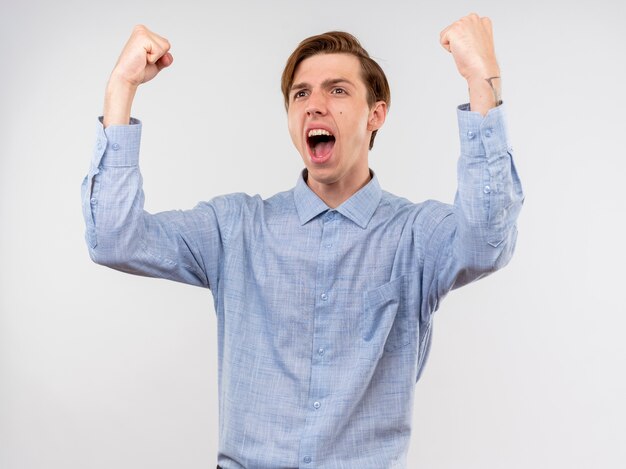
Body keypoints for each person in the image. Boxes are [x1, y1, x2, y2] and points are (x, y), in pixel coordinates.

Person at [81, 14, 523, 469]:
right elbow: (114, 239)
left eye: (337, 90)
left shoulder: (415, 237)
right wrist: (121, 87)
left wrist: (481, 79)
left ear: (377, 114)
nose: (314, 105)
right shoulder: (235, 228)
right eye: (300, 93)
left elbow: (487, 241)